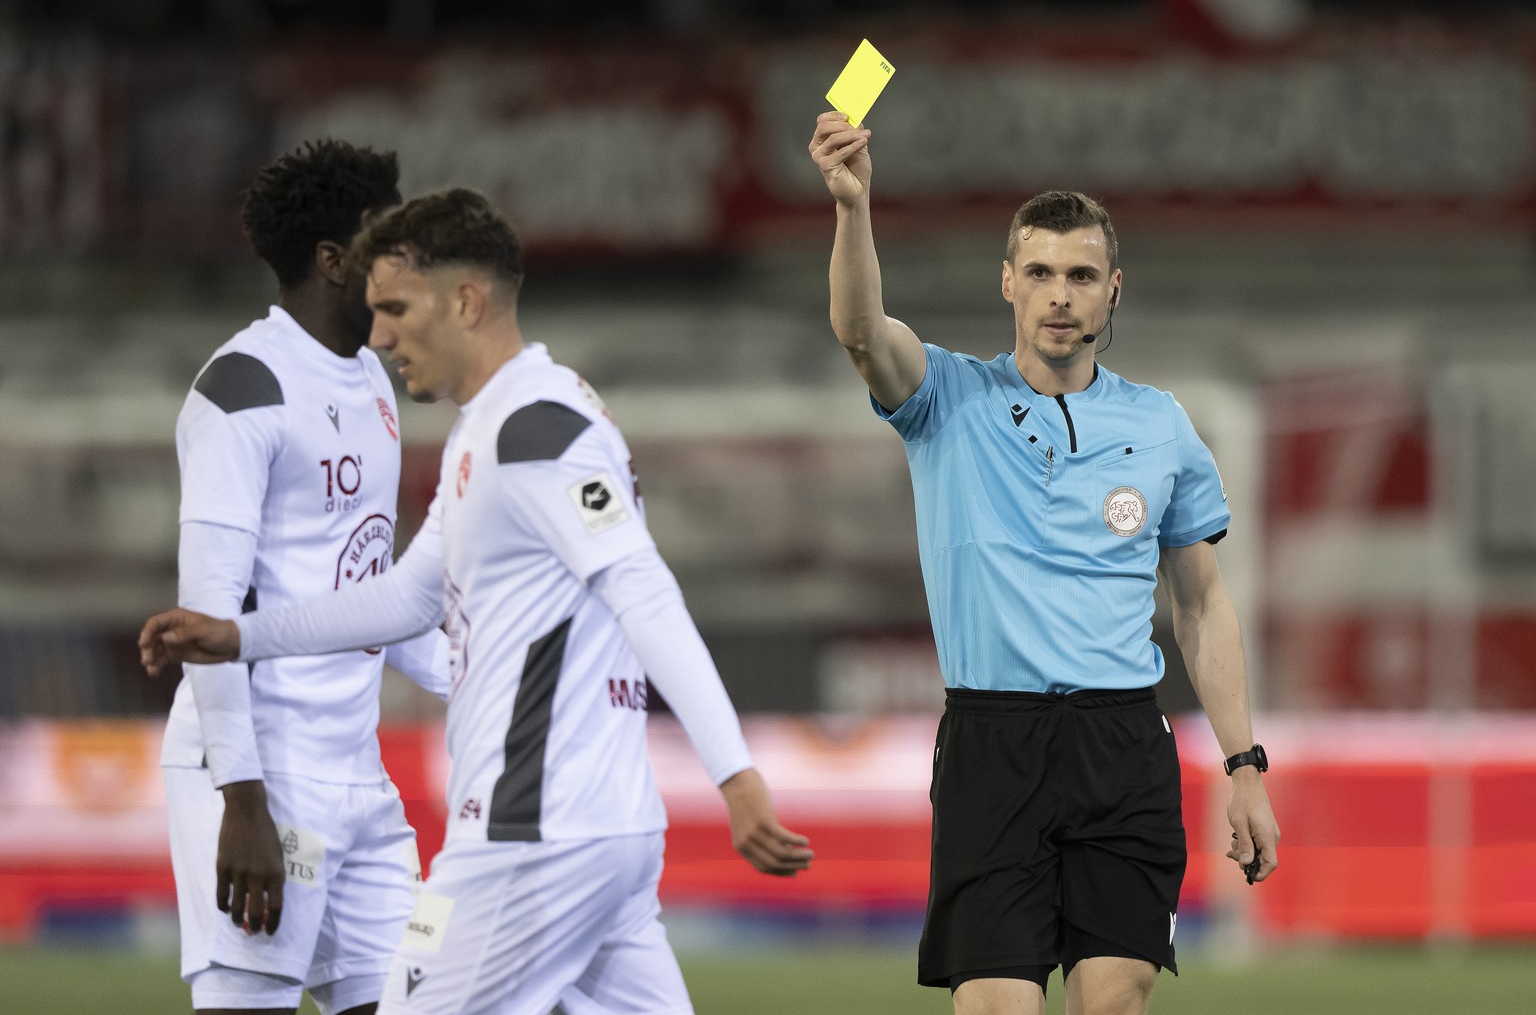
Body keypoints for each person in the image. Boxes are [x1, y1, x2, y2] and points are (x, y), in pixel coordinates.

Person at [141, 187, 814, 1015]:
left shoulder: (535, 432)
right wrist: (239, 637)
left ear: (465, 301)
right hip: (611, 838)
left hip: (523, 838)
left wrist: (736, 776)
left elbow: (643, 588)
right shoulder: (494, 430)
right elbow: (402, 598)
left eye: (395, 309)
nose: (379, 336)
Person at [807, 112, 1280, 1015]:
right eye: (1040, 273)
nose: (1059, 294)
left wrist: (1245, 766)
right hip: (994, 745)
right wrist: (853, 207)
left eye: (1080, 275)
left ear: (1111, 293)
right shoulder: (945, 397)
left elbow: (1202, 607)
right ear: (1008, 285)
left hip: (1121, 744)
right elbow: (862, 331)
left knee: (1113, 1003)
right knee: (996, 1007)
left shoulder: (1162, 424)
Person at [159, 138, 452, 1015]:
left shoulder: (372, 377)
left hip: (358, 775)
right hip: (261, 777)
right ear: (335, 261)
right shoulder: (241, 389)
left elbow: (360, 593)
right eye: (386, 239)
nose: (407, 258)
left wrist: (488, 676)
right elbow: (207, 613)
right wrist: (240, 800)